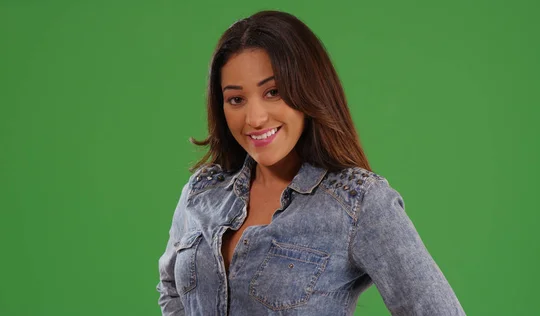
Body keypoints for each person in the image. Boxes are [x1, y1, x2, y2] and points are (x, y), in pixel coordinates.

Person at [156, 10, 466, 316]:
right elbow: (171, 288)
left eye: (273, 92)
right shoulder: (202, 191)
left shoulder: (359, 204)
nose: (255, 118)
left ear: (308, 90)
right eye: (236, 99)